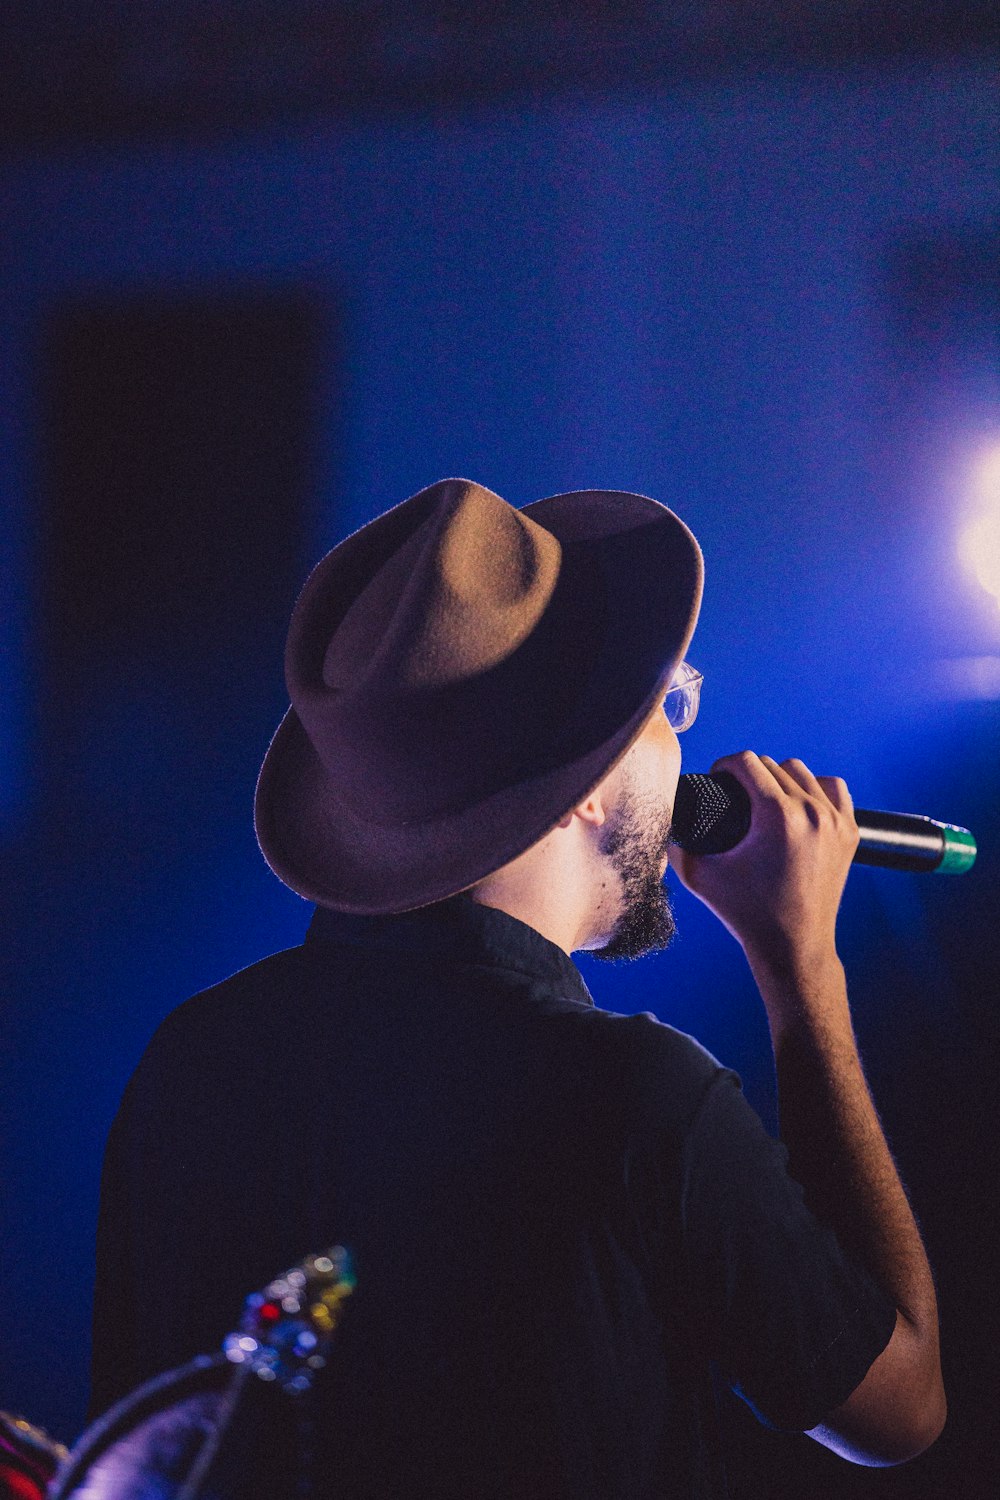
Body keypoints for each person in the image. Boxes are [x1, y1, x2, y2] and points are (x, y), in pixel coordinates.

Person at [90, 478, 945, 1498]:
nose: (682, 744)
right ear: (586, 786)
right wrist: (803, 968)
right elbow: (898, 1410)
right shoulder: (634, 1100)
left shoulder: (192, 1061)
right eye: (667, 703)